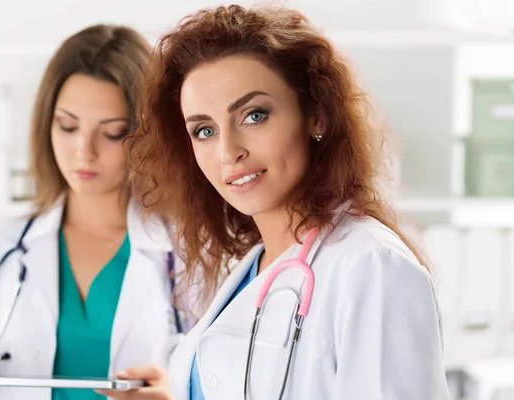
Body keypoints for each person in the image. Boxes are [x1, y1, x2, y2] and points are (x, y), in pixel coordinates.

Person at [120, 4, 451, 399]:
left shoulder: (372, 266)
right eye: (204, 130)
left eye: (254, 115)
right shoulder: (254, 266)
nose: (228, 151)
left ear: (316, 116)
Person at [0, 24, 189, 400]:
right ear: (47, 124)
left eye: (112, 132)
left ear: (147, 133)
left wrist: (180, 391)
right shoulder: (6, 245)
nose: (84, 152)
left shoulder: (187, 249)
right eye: (68, 126)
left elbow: (225, 378)